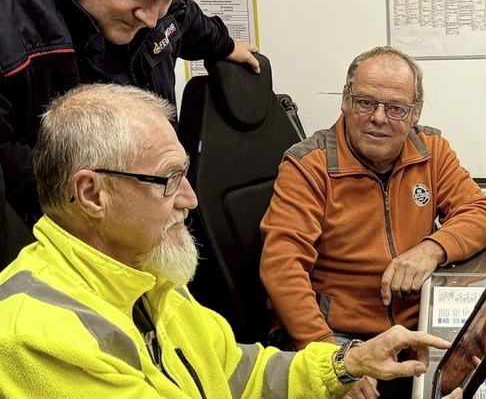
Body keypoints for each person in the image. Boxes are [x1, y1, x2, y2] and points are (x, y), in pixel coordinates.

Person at [0, 83, 462, 398]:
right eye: (169, 179)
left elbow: (243, 372)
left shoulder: (150, 279)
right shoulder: (38, 338)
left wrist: (347, 362)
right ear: (91, 194)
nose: (191, 198)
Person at [0, 0, 259, 224]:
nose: (152, 18)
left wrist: (222, 44)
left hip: (141, 210)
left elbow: (184, 17)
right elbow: (11, 178)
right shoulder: (7, 2)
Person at [260, 46, 486, 397]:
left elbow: (481, 212)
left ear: (414, 113)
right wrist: (335, 362)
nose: (378, 117)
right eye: (365, 102)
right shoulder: (307, 166)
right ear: (345, 101)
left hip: (414, 327)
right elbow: (281, 268)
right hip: (338, 334)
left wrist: (431, 249)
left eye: (396, 108)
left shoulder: (430, 148)